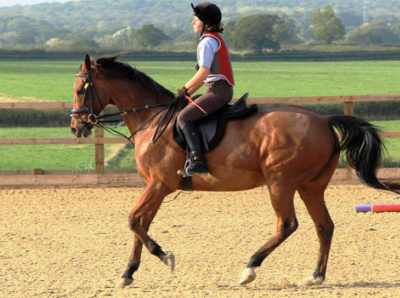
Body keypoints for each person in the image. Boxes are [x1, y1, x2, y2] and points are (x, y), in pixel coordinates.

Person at [177, 2, 235, 175]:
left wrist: (184, 88)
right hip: (216, 89)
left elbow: (203, 73)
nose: (192, 22)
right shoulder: (213, 39)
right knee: (187, 108)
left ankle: (199, 161)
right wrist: (187, 93)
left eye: (196, 19)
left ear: (206, 22)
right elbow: (204, 79)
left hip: (218, 92)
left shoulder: (207, 41)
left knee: (184, 118)